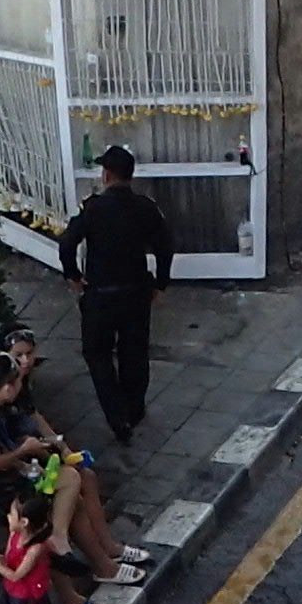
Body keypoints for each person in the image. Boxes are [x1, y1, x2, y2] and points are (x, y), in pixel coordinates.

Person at [56, 147, 175, 451]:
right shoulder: (146, 208)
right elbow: (165, 246)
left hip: (100, 296)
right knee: (134, 352)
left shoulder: (92, 208)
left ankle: (116, 414)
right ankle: (134, 408)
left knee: (97, 353)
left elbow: (67, 244)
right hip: (136, 294)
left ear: (106, 175)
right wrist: (161, 283)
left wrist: (73, 275)